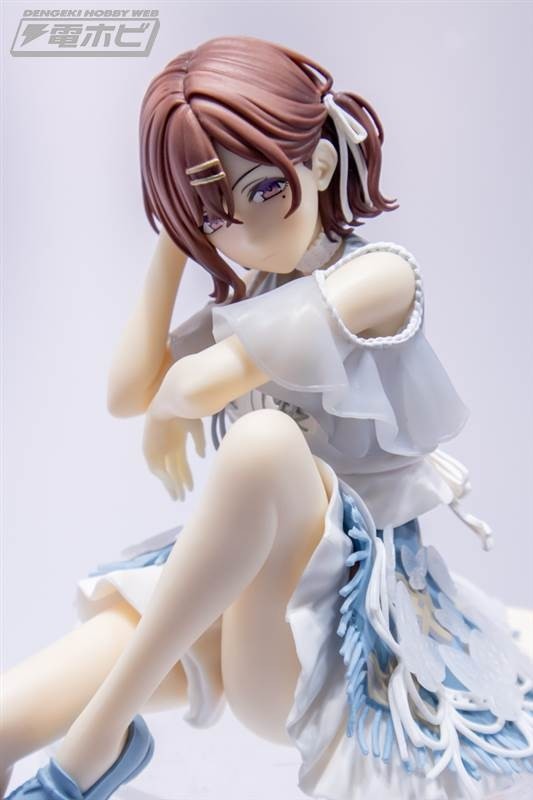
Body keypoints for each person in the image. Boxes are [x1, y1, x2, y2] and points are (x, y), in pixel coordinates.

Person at [2, 35, 533, 800]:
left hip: (332, 646)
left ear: (317, 164)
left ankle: (89, 751)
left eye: (258, 192)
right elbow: (126, 392)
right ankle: (75, 744)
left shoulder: (381, 277)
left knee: (261, 443)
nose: (240, 235)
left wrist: (173, 402)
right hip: (225, 613)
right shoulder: (252, 298)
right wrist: (175, 241)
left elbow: (205, 381)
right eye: (212, 216)